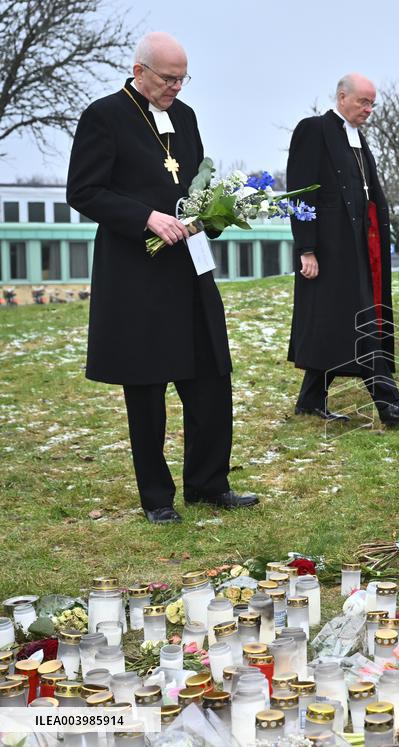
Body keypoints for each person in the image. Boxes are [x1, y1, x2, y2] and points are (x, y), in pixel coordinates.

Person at [66, 32, 258, 524]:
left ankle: (209, 484)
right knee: (147, 390)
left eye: (181, 77)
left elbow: (191, 180)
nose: (176, 86)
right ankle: (157, 498)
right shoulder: (104, 116)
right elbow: (83, 191)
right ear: (139, 72)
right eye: (167, 78)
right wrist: (146, 218)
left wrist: (214, 211)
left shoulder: (187, 117)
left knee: (211, 378)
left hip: (189, 269)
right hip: (138, 276)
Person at [286, 73, 399, 426]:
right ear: (342, 97)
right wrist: (306, 248)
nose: (369, 109)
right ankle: (387, 403)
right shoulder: (313, 130)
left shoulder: (357, 139)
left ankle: (310, 398)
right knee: (361, 323)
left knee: (338, 325)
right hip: (329, 252)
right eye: (363, 101)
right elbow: (301, 193)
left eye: (372, 103)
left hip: (361, 250)